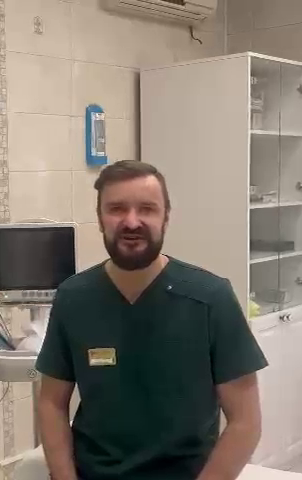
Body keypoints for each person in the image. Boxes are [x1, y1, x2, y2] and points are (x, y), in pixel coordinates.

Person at [36, 160, 268, 480]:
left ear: (165, 218)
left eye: (147, 209)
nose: (131, 221)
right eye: (117, 209)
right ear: (100, 219)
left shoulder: (209, 299)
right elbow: (51, 403)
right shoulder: (74, 299)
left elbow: (245, 422)